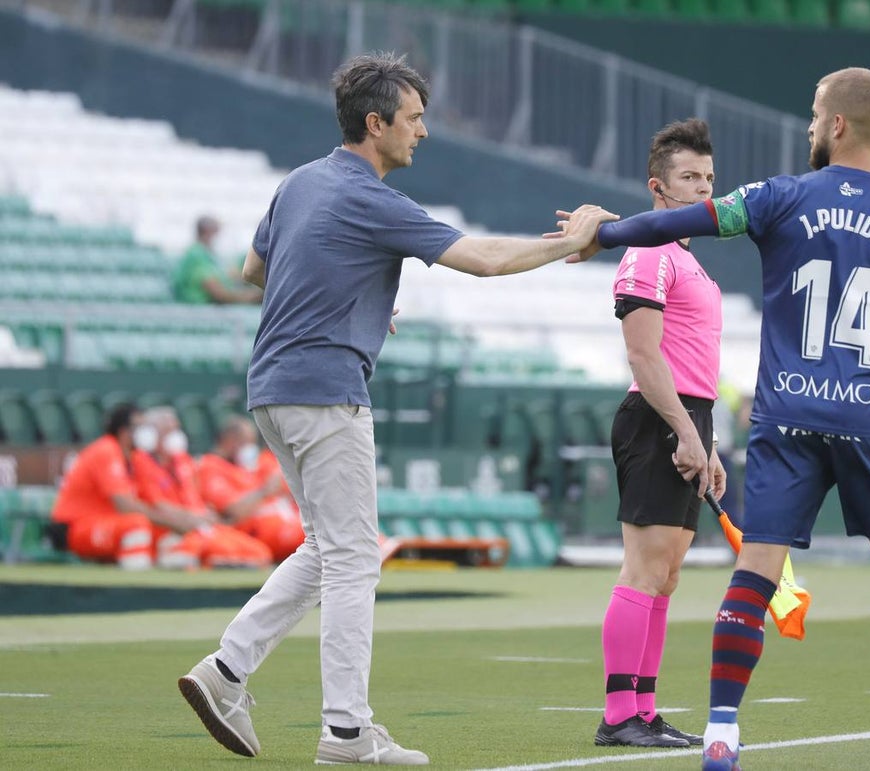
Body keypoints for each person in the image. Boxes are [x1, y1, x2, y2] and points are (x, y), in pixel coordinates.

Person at [177, 51, 616, 766]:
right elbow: (485, 260)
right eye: (413, 119)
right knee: (355, 559)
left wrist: (345, 288)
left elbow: (254, 271)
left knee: (327, 550)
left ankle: (226, 670)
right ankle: (346, 731)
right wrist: (572, 241)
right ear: (375, 124)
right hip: (324, 389)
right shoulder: (370, 198)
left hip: (272, 388)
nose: (423, 132)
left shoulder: (298, 183)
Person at [571, 67, 870, 771]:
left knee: (756, 572)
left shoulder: (775, 198)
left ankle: (721, 735)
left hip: (785, 419)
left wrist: (607, 231)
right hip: (869, 422)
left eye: (812, 114)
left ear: (836, 125)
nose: (807, 126)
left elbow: (680, 222)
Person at [595, 118, 724, 750]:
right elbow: (645, 359)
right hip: (656, 420)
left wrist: (709, 439)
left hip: (688, 418)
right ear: (657, 186)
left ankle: (644, 710)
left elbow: (694, 362)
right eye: (688, 179)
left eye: (708, 178)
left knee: (667, 575)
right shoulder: (648, 252)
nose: (702, 190)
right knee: (644, 569)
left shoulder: (686, 257)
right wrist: (684, 432)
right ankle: (620, 713)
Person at [49, 403, 218, 569]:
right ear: (123, 431)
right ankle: (137, 584)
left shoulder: (136, 457)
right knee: (136, 524)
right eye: (140, 427)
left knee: (162, 532)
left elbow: (154, 502)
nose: (146, 432)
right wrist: (173, 522)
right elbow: (125, 505)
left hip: (105, 522)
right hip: (73, 527)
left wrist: (185, 520)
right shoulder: (106, 450)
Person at [134, 407, 272, 570]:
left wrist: (205, 516)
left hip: (201, 526)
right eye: (169, 430)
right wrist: (193, 519)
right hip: (172, 531)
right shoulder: (142, 462)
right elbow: (157, 507)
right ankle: (191, 556)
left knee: (260, 552)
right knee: (222, 549)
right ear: (151, 435)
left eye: (177, 429)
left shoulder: (182, 461)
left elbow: (196, 500)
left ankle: (211, 559)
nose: (175, 435)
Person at [197, 415, 304, 563]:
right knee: (320, 540)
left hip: (285, 526)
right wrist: (264, 492)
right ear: (229, 441)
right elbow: (232, 510)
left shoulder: (247, 467)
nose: (251, 448)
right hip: (254, 535)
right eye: (246, 442)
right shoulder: (210, 466)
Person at [172, 215, 263, 305]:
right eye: (217, 232)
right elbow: (218, 293)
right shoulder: (196, 256)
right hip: (198, 311)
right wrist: (251, 297)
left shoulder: (207, 256)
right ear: (207, 232)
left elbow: (229, 277)